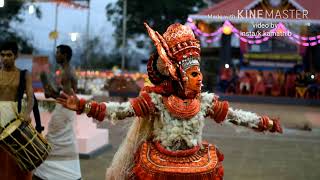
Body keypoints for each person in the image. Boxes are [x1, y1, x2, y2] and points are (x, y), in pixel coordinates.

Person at [57, 23, 282, 180]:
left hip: (194, 166)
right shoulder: (158, 100)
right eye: (193, 74)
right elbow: (122, 110)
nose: (199, 77)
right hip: (160, 166)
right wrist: (83, 106)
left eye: (199, 73)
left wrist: (266, 123)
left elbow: (235, 116)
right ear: (178, 75)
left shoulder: (204, 102)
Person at [33, 45, 82, 180]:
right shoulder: (67, 70)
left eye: (58, 53)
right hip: (66, 110)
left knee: (53, 140)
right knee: (61, 140)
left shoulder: (67, 73)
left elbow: (66, 99)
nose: (56, 56)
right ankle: (57, 172)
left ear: (65, 55)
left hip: (64, 110)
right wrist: (51, 90)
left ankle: (48, 173)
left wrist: (49, 91)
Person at [0, 41, 34, 180]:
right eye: (2, 55)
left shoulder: (24, 74)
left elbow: (31, 99)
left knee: (16, 158)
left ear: (16, 56)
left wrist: (26, 114)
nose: (5, 58)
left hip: (16, 118)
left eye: (9, 55)